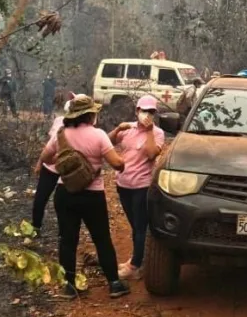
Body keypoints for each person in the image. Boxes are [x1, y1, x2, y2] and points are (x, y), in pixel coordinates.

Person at [35, 94, 130, 298]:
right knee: (101, 238)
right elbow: (116, 163)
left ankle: (69, 286)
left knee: (67, 240)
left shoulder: (61, 134)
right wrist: (122, 162)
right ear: (90, 115)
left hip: (64, 193)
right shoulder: (98, 135)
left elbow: (45, 157)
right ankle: (114, 283)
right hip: (92, 195)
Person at [109, 96, 165, 281]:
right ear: (136, 111)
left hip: (141, 186)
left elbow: (151, 154)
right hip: (123, 183)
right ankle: (138, 258)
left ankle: (135, 265)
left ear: (155, 114)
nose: (147, 114)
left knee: (140, 227)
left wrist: (148, 131)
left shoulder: (157, 133)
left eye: (151, 111)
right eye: (143, 111)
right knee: (135, 225)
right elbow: (107, 143)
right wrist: (118, 128)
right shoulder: (129, 129)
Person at [31, 92, 76, 233]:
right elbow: (49, 145)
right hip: (51, 166)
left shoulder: (79, 128)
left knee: (63, 202)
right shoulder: (59, 122)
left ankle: (64, 231)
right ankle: (35, 226)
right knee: (40, 198)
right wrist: (40, 162)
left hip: (65, 169)